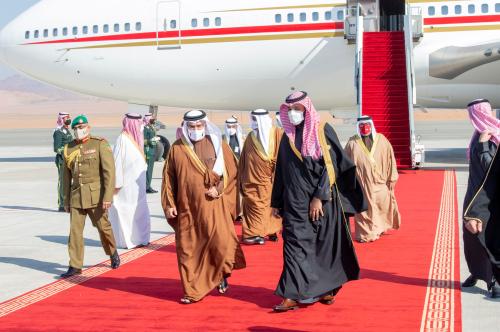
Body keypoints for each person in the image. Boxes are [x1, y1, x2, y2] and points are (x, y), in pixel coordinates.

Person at [271, 91, 366, 312]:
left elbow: (331, 166)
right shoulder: (287, 136)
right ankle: (291, 294)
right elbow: (281, 171)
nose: (293, 113)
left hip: (322, 204)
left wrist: (319, 197)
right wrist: (276, 201)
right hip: (294, 203)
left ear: (307, 109)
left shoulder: (322, 131)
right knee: (293, 247)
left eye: (298, 109)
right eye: (290, 110)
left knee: (324, 247)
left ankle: (326, 289)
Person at [161, 110, 246, 304]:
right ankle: (192, 291)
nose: (195, 130)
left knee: (221, 244)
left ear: (205, 125)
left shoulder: (218, 144)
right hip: (188, 210)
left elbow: (232, 173)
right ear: (185, 127)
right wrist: (169, 204)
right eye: (191, 127)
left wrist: (219, 189)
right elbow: (168, 179)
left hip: (214, 207)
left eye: (199, 126)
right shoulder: (177, 148)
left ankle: (221, 274)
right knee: (189, 250)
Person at [60, 115, 120, 278]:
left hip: (97, 197)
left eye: (81, 127)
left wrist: (108, 197)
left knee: (103, 228)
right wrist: (65, 200)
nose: (79, 131)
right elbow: (65, 178)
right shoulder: (68, 148)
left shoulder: (99, 143)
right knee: (75, 232)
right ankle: (75, 265)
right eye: (76, 128)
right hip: (77, 197)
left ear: (88, 127)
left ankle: (112, 252)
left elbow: (109, 172)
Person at [462, 99, 500, 298]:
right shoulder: (478, 133)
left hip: (489, 199)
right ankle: (476, 272)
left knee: (489, 238)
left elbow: (490, 169)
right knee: (471, 239)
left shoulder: (493, 136)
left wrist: (484, 145)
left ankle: (495, 280)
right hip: (472, 196)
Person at [344, 116, 401, 243]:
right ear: (358, 127)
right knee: (365, 211)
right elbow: (344, 163)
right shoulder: (352, 143)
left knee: (382, 208)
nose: (365, 128)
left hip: (380, 185)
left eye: (367, 124)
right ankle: (366, 234)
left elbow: (391, 160)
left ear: (371, 125)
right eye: (361, 125)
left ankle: (379, 228)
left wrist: (392, 179)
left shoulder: (382, 140)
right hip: (362, 186)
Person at [239, 109, 283, 245]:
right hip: (251, 182)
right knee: (254, 208)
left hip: (271, 180)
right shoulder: (250, 137)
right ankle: (251, 234)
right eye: (252, 119)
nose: (253, 123)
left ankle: (271, 231)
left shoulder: (277, 134)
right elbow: (243, 160)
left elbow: (282, 156)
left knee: (272, 207)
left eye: (255, 120)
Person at [109, 113, 151, 249]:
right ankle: (128, 241)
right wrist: (116, 184)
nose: (140, 126)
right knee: (126, 212)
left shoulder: (136, 138)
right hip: (125, 187)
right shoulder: (122, 139)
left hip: (138, 186)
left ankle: (142, 239)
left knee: (140, 212)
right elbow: (116, 164)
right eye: (137, 123)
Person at [53, 112, 73, 212]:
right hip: (62, 160)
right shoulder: (58, 132)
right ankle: (61, 204)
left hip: (69, 160)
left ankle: (68, 202)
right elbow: (56, 148)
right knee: (62, 182)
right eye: (66, 118)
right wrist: (67, 151)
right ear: (62, 119)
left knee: (69, 182)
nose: (68, 119)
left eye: (69, 117)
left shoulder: (67, 131)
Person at [144, 113, 159, 194]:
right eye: (152, 118)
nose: (153, 119)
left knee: (150, 170)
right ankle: (146, 187)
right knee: (148, 170)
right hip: (148, 152)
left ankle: (148, 186)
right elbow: (143, 140)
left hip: (152, 151)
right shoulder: (145, 128)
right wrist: (151, 141)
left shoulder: (150, 127)